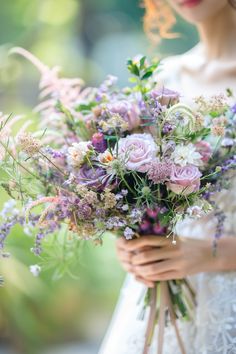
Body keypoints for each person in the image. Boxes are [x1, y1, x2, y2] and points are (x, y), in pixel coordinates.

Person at [99, 1, 236, 353]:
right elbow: (146, 193)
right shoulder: (164, 79)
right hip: (160, 305)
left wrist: (214, 253)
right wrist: (134, 240)